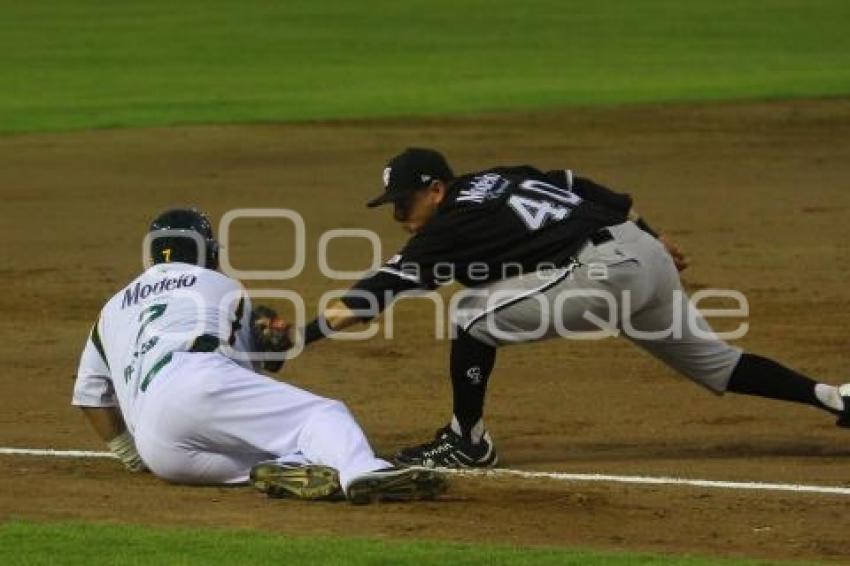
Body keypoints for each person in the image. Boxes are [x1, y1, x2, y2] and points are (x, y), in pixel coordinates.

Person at [294, 147, 850, 468]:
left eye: (404, 204)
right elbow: (584, 189)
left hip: (603, 273)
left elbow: (371, 298)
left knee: (468, 315)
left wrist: (302, 334)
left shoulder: (450, 224)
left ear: (436, 190)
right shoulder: (502, 177)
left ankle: (466, 440)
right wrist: (653, 237)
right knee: (717, 363)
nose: (400, 217)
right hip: (637, 254)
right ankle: (835, 395)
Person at [71, 207, 445, 503]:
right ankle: (364, 471)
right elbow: (259, 363)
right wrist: (272, 335)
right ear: (207, 249)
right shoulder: (219, 283)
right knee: (321, 414)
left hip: (160, 448)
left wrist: (130, 453)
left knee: (283, 454)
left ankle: (290, 470)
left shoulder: (112, 308)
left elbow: (90, 394)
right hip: (195, 382)